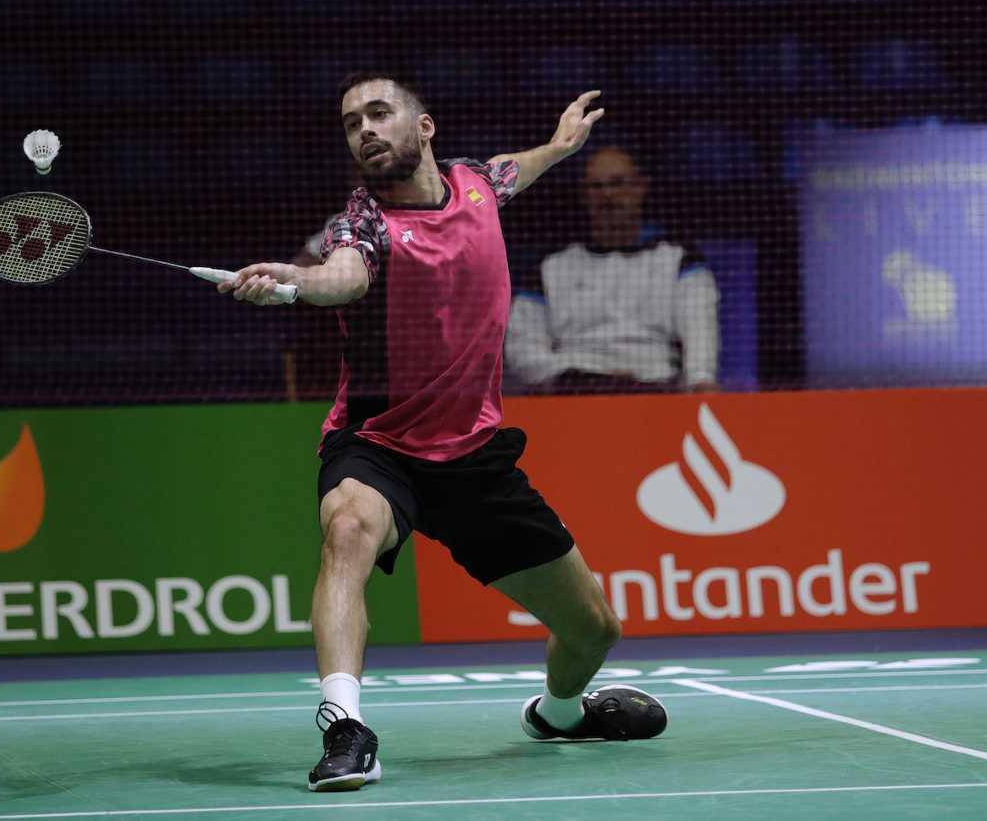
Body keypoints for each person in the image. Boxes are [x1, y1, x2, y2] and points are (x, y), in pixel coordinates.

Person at [218, 73, 668, 792]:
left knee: (593, 631)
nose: (364, 129)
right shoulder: (360, 224)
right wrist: (297, 281)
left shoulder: (476, 184)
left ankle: (557, 715)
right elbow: (345, 276)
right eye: (350, 123)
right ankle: (345, 724)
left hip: (474, 457)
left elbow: (511, 172)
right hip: (379, 443)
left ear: (424, 128)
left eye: (378, 113)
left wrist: (558, 145)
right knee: (347, 528)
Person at [505, 145, 720, 394]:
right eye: (596, 187)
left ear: (641, 186)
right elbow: (522, 351)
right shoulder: (549, 265)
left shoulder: (681, 259)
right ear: (584, 194)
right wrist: (583, 375)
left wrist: (701, 380)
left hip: (656, 393)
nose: (607, 195)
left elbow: (701, 338)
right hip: (573, 394)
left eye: (618, 184)